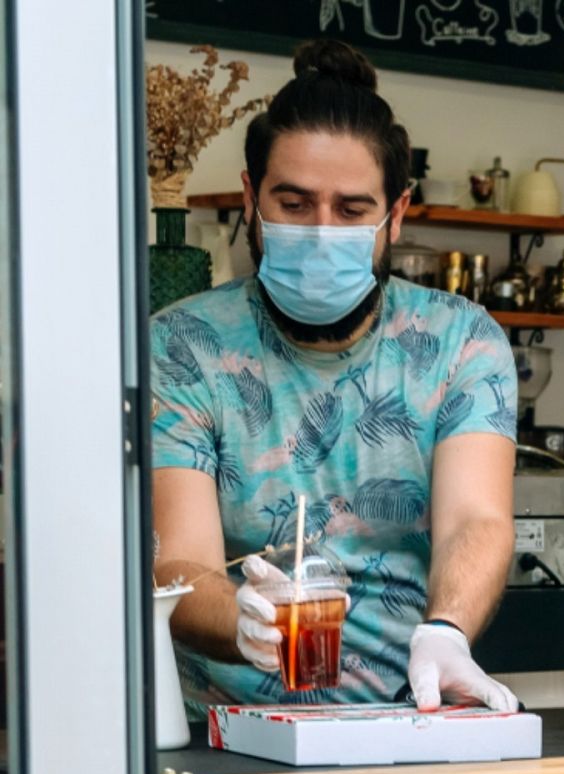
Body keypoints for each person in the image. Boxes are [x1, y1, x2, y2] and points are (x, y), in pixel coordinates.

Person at [152, 40, 518, 713]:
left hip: (413, 713)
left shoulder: (463, 342)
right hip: (228, 734)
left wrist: (446, 630)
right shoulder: (182, 346)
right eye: (293, 205)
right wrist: (241, 624)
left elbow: (476, 517)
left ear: (396, 215)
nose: (321, 233)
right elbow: (182, 562)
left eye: (351, 212)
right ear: (250, 198)